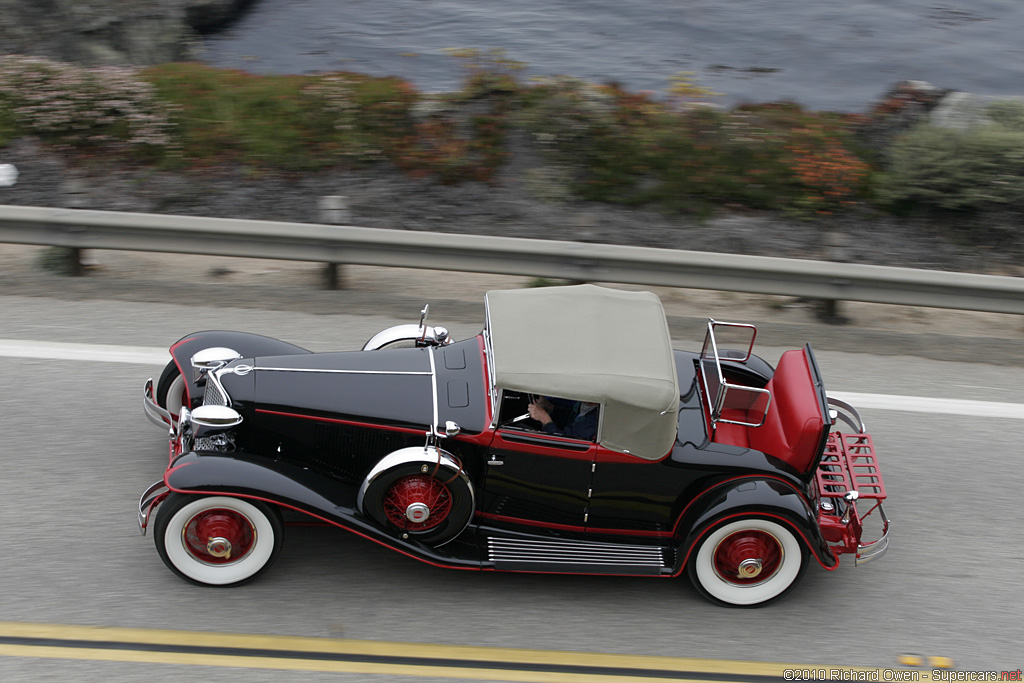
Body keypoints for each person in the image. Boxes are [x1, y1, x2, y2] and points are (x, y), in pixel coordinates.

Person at [527, 398, 599, 441]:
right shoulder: (583, 404)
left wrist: (545, 419)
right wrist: (551, 408)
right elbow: (569, 418)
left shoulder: (595, 420)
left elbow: (565, 442)